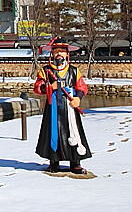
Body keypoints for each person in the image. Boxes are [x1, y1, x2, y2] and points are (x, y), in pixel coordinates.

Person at [34, 38, 92, 174]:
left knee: (73, 131)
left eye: (62, 51)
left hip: (69, 106)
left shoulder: (73, 71)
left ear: (67, 54)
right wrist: (50, 87)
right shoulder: (46, 71)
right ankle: (54, 161)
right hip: (52, 106)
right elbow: (37, 88)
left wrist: (78, 97)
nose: (59, 54)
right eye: (56, 51)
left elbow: (81, 87)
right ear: (52, 54)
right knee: (52, 131)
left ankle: (75, 161)